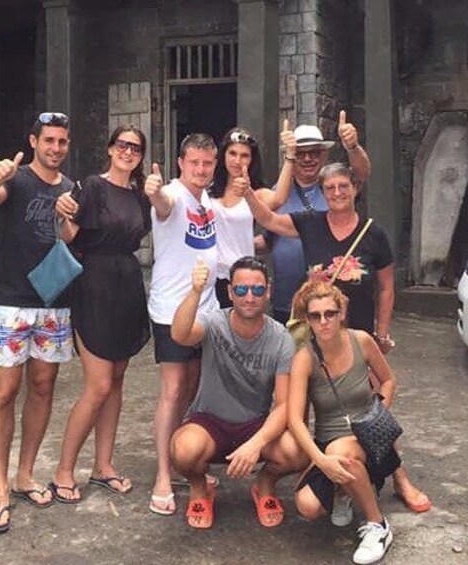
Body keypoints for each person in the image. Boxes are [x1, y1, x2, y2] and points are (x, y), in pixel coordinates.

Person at [240, 161, 432, 515]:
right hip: (317, 332)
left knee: (374, 413)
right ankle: (330, 471)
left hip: (357, 335)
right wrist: (248, 192)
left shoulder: (374, 233)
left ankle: (398, 478)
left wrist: (382, 331)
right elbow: (268, 220)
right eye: (330, 189)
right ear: (323, 193)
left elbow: (387, 287)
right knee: (319, 408)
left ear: (355, 188)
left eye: (344, 186)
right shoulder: (311, 224)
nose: (338, 193)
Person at [0, 112, 77, 534]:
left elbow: (68, 239)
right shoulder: (14, 179)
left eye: (62, 142)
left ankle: (25, 475)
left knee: (43, 386)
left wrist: (68, 218)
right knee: (2, 393)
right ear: (34, 141)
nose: (55, 148)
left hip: (52, 302)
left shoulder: (70, 187)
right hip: (8, 303)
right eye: (49, 140)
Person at [49, 125, 151, 503]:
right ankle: (63, 470)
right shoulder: (92, 186)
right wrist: (61, 212)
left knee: (117, 383)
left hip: (127, 286)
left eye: (135, 148)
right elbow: (68, 235)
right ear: (110, 149)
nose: (128, 152)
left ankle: (103, 466)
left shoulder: (140, 196)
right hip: (94, 286)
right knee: (99, 386)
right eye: (122, 145)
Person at [170, 256, 305, 529]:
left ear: (268, 292)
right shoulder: (214, 322)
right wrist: (195, 291)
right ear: (231, 292)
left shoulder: (281, 338)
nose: (249, 297)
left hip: (255, 425)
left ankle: (264, 485)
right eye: (241, 290)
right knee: (183, 450)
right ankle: (200, 488)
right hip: (209, 422)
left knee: (297, 452)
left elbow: (282, 405)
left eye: (257, 290)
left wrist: (255, 444)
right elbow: (180, 335)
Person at [288, 280, 396, 565]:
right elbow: (294, 419)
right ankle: (344, 491)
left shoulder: (361, 340)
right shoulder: (304, 358)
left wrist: (379, 415)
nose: (323, 321)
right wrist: (319, 460)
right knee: (307, 506)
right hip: (330, 443)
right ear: (307, 319)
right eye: (315, 316)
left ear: (341, 314)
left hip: (368, 438)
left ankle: (378, 526)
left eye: (330, 313)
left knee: (343, 456)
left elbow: (388, 380)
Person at [145, 133, 220, 515]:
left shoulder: (206, 199)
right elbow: (162, 205)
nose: (201, 170)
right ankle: (162, 474)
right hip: (172, 310)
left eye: (207, 164)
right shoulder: (173, 195)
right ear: (181, 163)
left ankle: (180, 461)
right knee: (173, 391)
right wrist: (154, 191)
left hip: (205, 311)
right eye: (195, 163)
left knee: (191, 388)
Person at [257, 111, 371, 324]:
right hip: (287, 303)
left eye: (314, 152)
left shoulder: (335, 187)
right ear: (291, 156)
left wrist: (353, 147)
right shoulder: (278, 192)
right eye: (300, 153)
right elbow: (269, 239)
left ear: (324, 155)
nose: (308, 158)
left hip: (330, 306)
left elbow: (361, 174)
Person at [208, 123, 295, 307]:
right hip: (210, 277)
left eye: (244, 155)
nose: (237, 160)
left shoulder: (256, 194)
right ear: (223, 155)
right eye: (232, 153)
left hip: (242, 278)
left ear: (252, 160)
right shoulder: (207, 191)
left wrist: (290, 156)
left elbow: (279, 198)